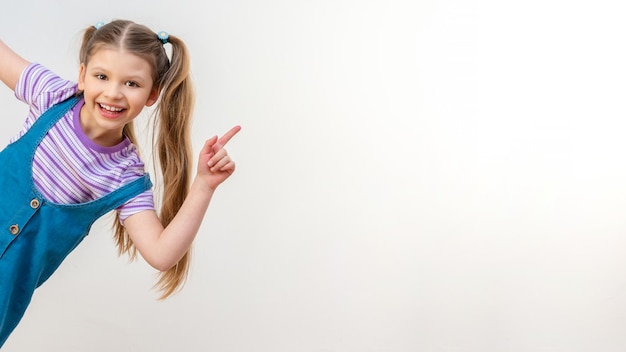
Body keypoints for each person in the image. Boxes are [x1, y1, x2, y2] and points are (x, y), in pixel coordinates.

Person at [0, 19, 240, 346]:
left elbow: (160, 253)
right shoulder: (51, 95)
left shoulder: (124, 176)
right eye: (102, 76)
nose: (113, 92)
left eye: (132, 83)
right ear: (83, 75)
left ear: (153, 94)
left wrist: (204, 184)